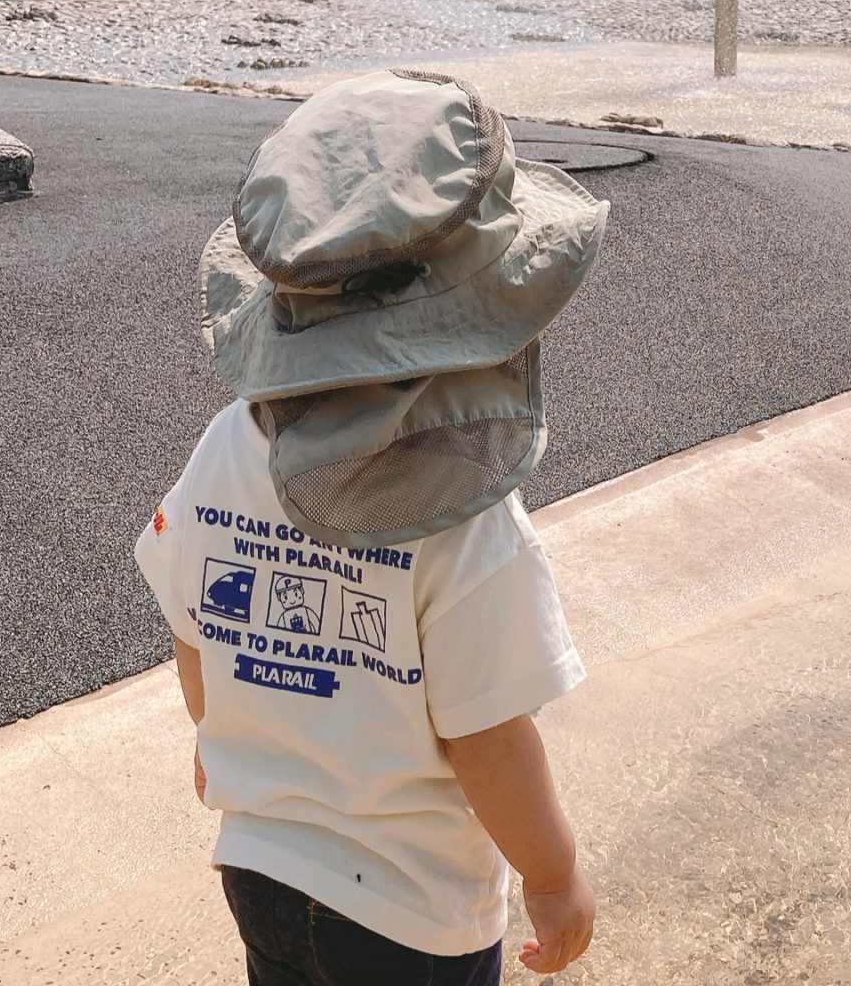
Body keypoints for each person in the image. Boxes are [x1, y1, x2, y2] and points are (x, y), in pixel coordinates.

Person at [136, 69, 612, 984]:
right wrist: (552, 878)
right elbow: (487, 736)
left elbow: (193, 627)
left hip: (261, 869)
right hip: (413, 910)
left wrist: (221, 745)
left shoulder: (230, 445)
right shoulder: (468, 518)